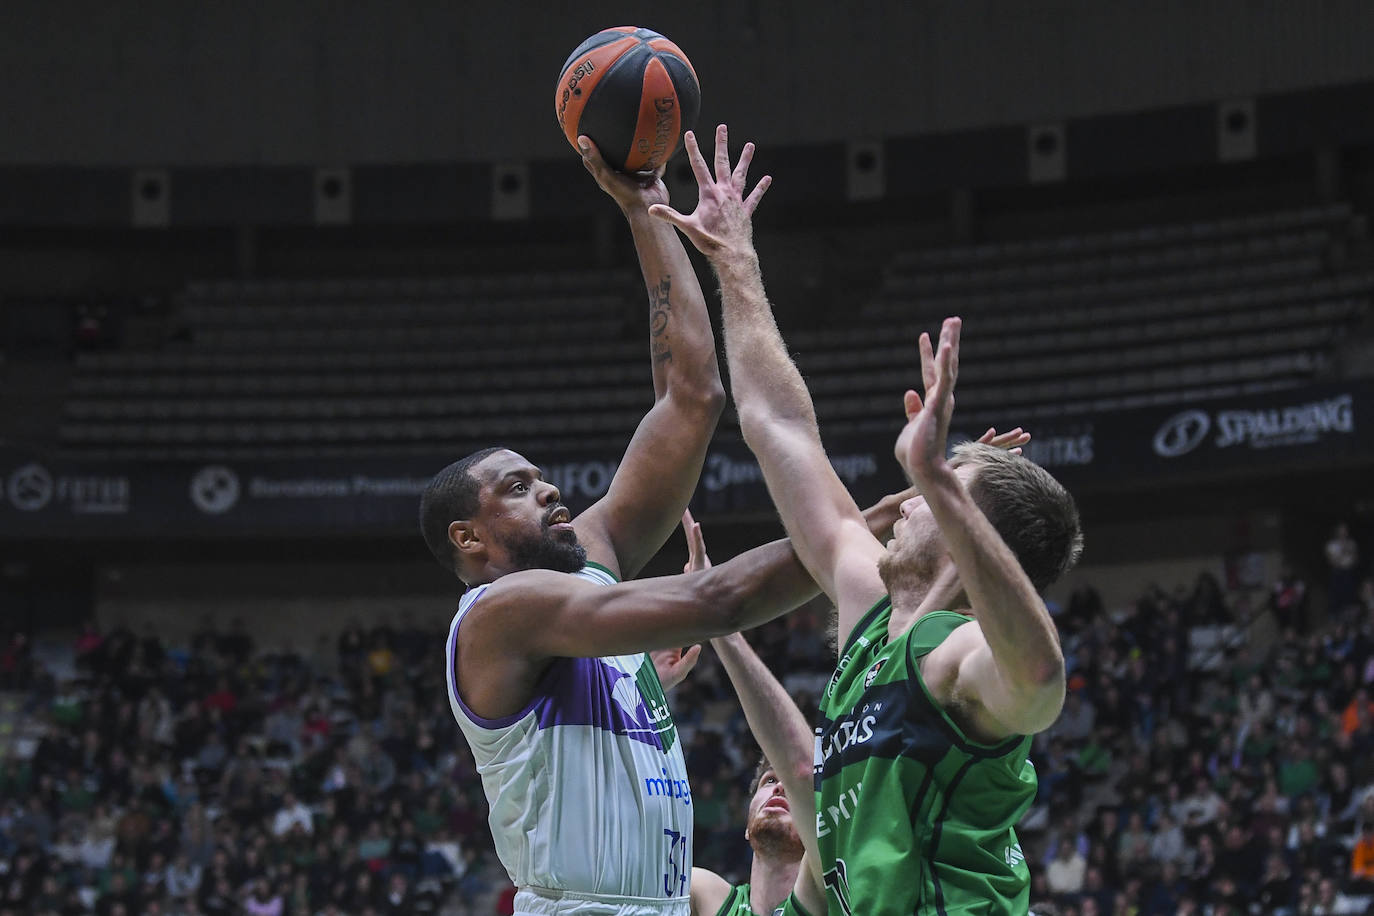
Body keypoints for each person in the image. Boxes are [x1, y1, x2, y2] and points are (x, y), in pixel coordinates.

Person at [420, 135, 1011, 916]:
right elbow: (719, 600)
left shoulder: (585, 570)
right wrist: (860, 529)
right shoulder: (500, 616)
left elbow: (690, 398)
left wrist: (645, 210)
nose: (553, 490)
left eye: (544, 478)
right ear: (469, 536)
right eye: (519, 486)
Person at [651, 124, 1083, 914]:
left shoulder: (959, 655)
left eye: (942, 484)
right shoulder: (870, 616)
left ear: (965, 524)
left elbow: (1040, 682)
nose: (909, 498)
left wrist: (939, 483)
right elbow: (779, 425)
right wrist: (736, 267)